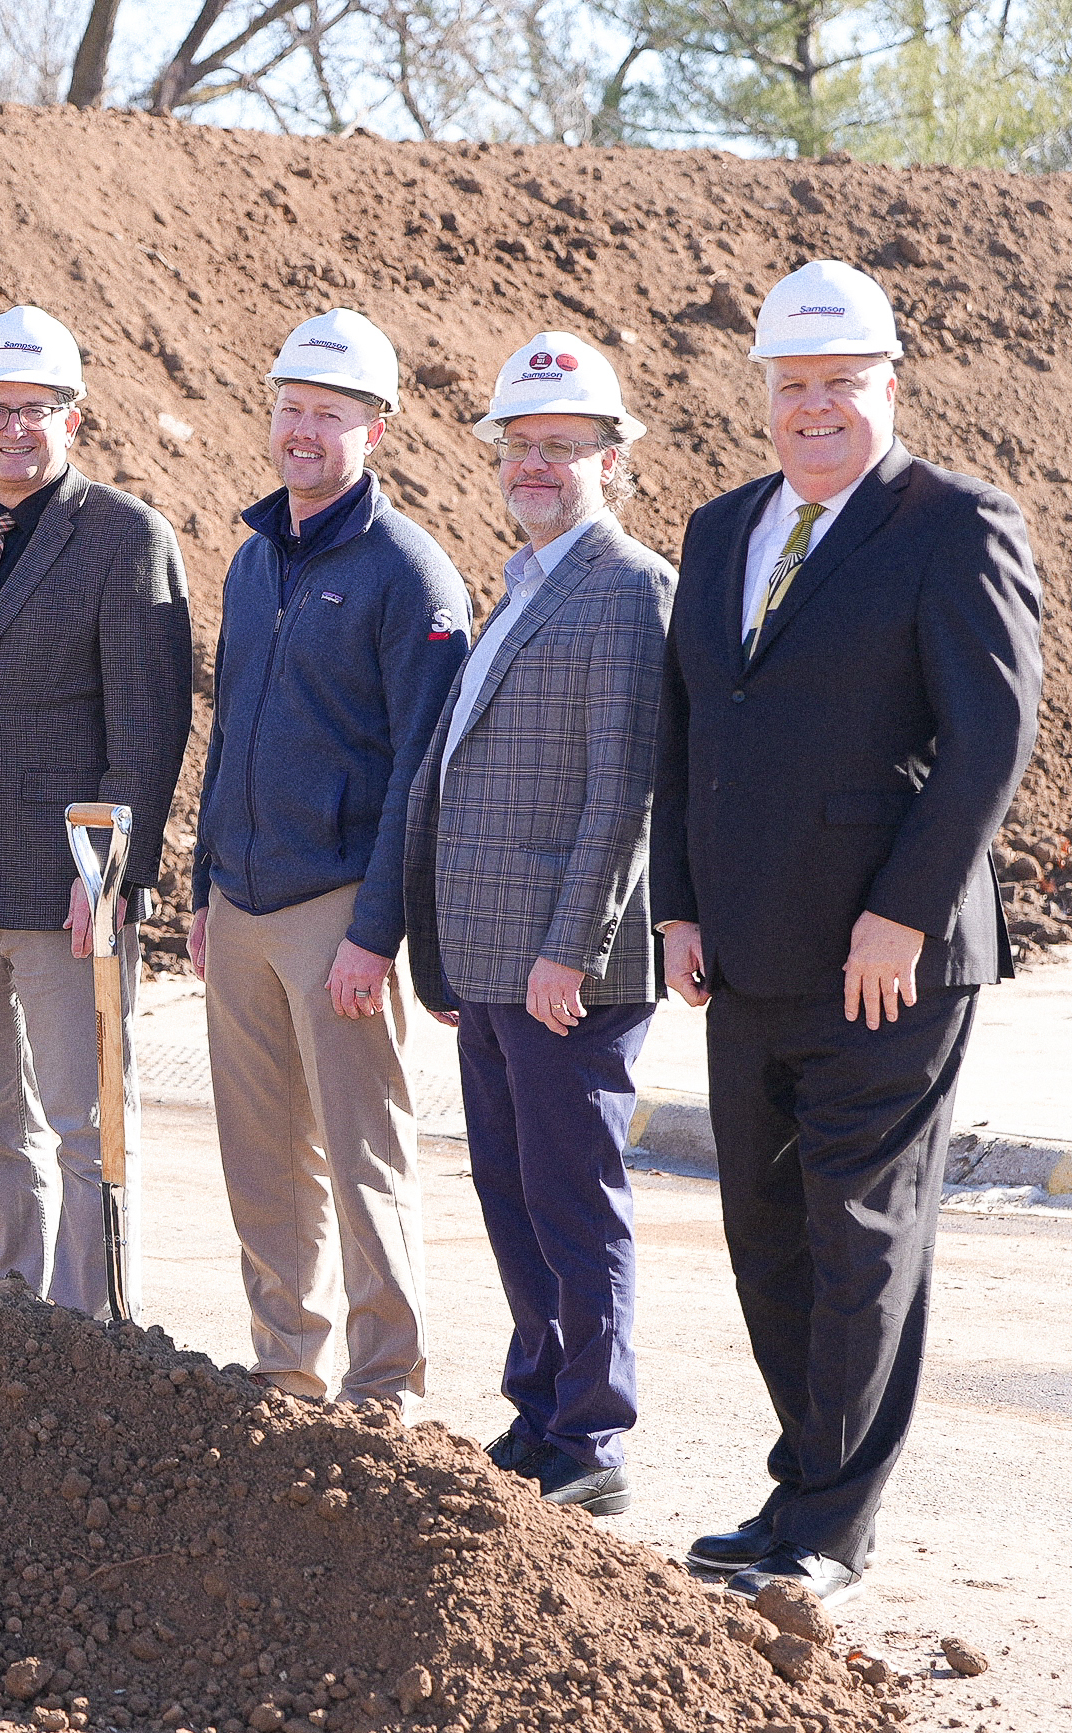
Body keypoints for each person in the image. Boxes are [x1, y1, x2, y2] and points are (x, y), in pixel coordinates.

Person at [654, 260, 1042, 1604]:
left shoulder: (956, 526)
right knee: (763, 1226)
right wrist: (678, 905)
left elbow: (993, 737)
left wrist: (902, 916)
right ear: (765, 391)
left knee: (860, 1230)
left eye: (841, 385)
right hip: (744, 949)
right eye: (794, 385)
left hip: (890, 964)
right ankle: (802, 1486)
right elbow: (686, 733)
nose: (815, 407)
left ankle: (828, 1526)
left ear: (889, 385)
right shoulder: (718, 532)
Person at [403, 332, 674, 1514]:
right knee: (509, 1191)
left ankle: (593, 1436)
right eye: (519, 446)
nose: (535, 466)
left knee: (573, 1196)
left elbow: (621, 788)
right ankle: (538, 1405)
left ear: (610, 461)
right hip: (491, 952)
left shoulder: (625, 590)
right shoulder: (520, 582)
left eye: (561, 448)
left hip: (567, 961)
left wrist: (568, 944)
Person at [0, 306, 191, 1313]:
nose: (11, 428)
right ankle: (17, 1297)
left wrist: (108, 876)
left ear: (73, 416)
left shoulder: (121, 538)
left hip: (64, 891)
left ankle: (90, 1324)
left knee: (86, 1121)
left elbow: (145, 724)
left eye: (34, 409)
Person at [188, 308, 469, 1406]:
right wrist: (204, 890)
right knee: (259, 1161)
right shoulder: (254, 561)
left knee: (360, 1160)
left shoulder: (408, 573)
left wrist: (373, 930)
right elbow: (225, 739)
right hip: (241, 902)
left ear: (376, 430)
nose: (301, 431)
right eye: (289, 409)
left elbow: (419, 771)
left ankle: (383, 1383)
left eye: (329, 415)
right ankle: (282, 1366)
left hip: (336, 907)